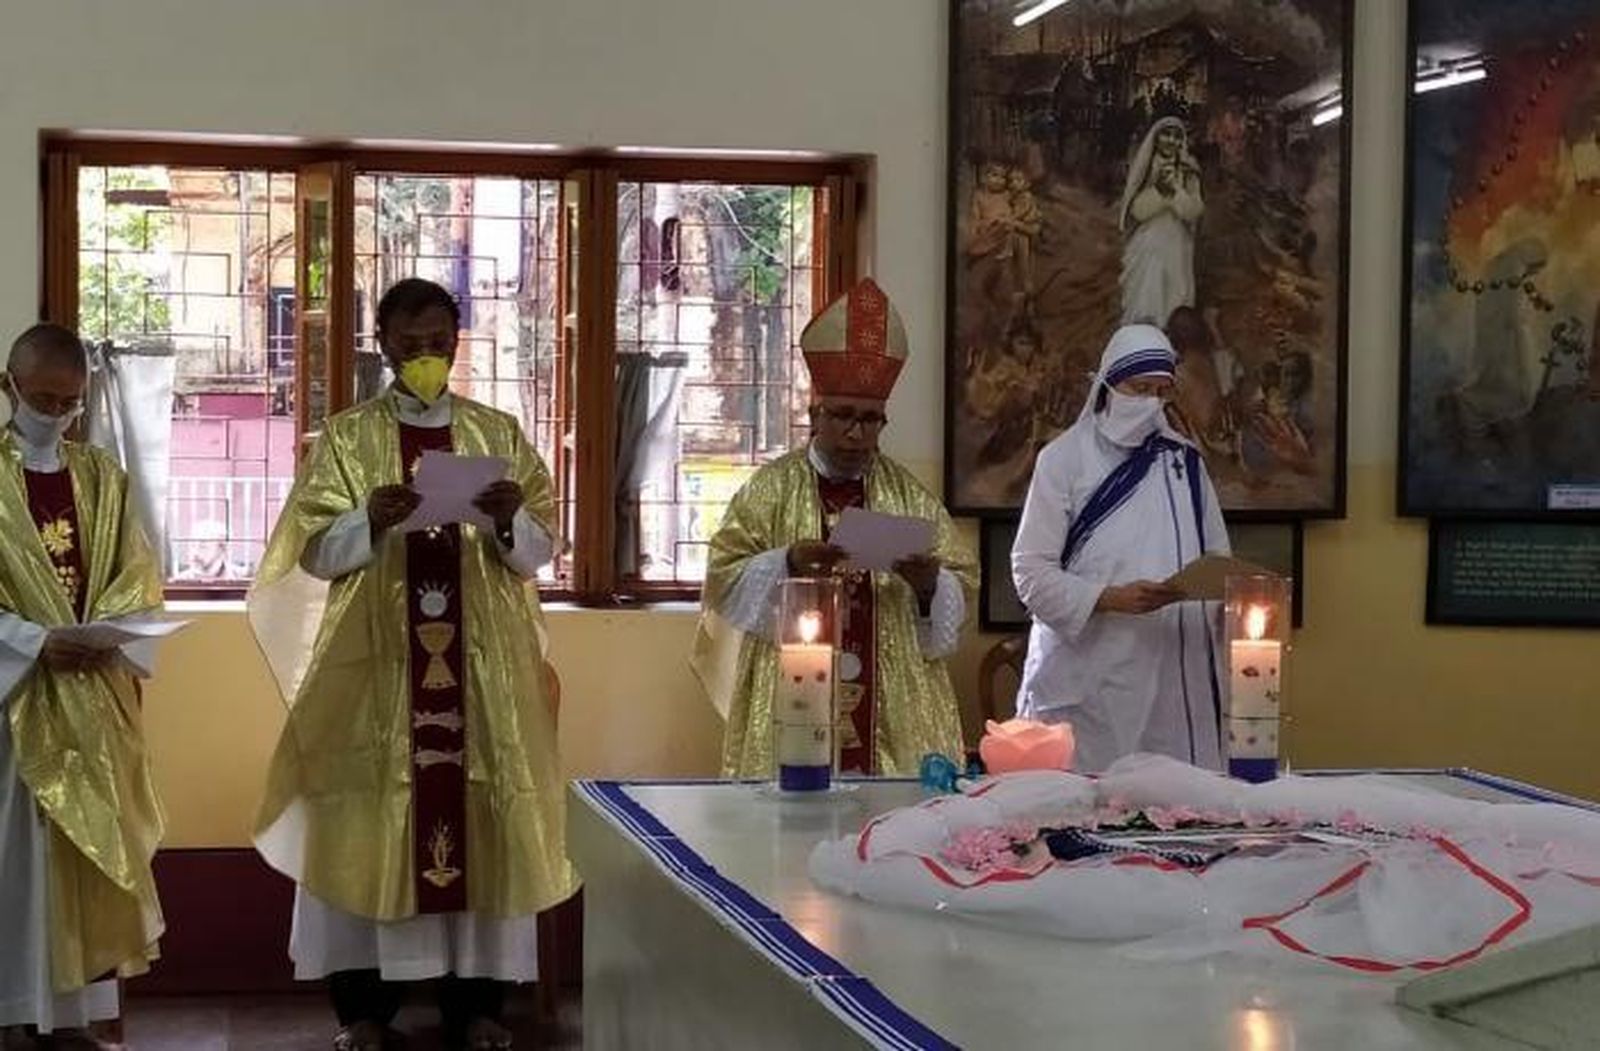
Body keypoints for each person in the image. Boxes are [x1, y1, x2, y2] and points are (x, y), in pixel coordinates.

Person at [248, 279, 576, 1051]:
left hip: (482, 670)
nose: (427, 355)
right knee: (365, 817)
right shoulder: (346, 438)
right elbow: (315, 552)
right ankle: (363, 1010)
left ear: (457, 342)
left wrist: (507, 518)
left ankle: (481, 1007)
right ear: (384, 342)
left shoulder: (496, 431)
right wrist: (368, 517)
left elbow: (541, 549)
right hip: (378, 672)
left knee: (485, 818)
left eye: (440, 341)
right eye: (412, 341)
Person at [694, 279, 976, 777]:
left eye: (871, 420)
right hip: (792, 696)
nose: (855, 432)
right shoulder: (770, 489)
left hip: (894, 706)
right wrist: (785, 564)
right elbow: (722, 576)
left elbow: (962, 580)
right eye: (843, 416)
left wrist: (931, 586)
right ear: (814, 414)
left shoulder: (911, 496)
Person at [0, 324, 165, 1050]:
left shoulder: (102, 476)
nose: (57, 413)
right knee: (17, 862)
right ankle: (10, 1011)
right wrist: (36, 641)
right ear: (9, 386)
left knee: (86, 855)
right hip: (12, 709)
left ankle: (72, 1015)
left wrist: (105, 635)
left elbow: (136, 575)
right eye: (42, 398)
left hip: (91, 702)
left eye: (71, 401)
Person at [1011, 324, 1230, 772]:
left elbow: (1220, 565)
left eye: (1161, 391)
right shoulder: (1063, 460)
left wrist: (1220, 598)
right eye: (1139, 388)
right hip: (1089, 673)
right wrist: (1111, 599)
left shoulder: (1185, 463)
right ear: (1109, 382)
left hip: (1174, 675)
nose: (1149, 401)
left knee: (1173, 813)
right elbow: (1030, 573)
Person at [1119, 118, 1204, 327]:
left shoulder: (1189, 170)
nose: (1171, 140)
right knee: (1148, 288)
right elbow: (1136, 211)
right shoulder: (1146, 166)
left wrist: (1175, 190)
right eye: (1166, 134)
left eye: (1177, 136)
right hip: (1148, 240)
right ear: (1156, 138)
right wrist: (1158, 191)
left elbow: (1194, 210)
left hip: (1177, 240)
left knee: (1175, 286)